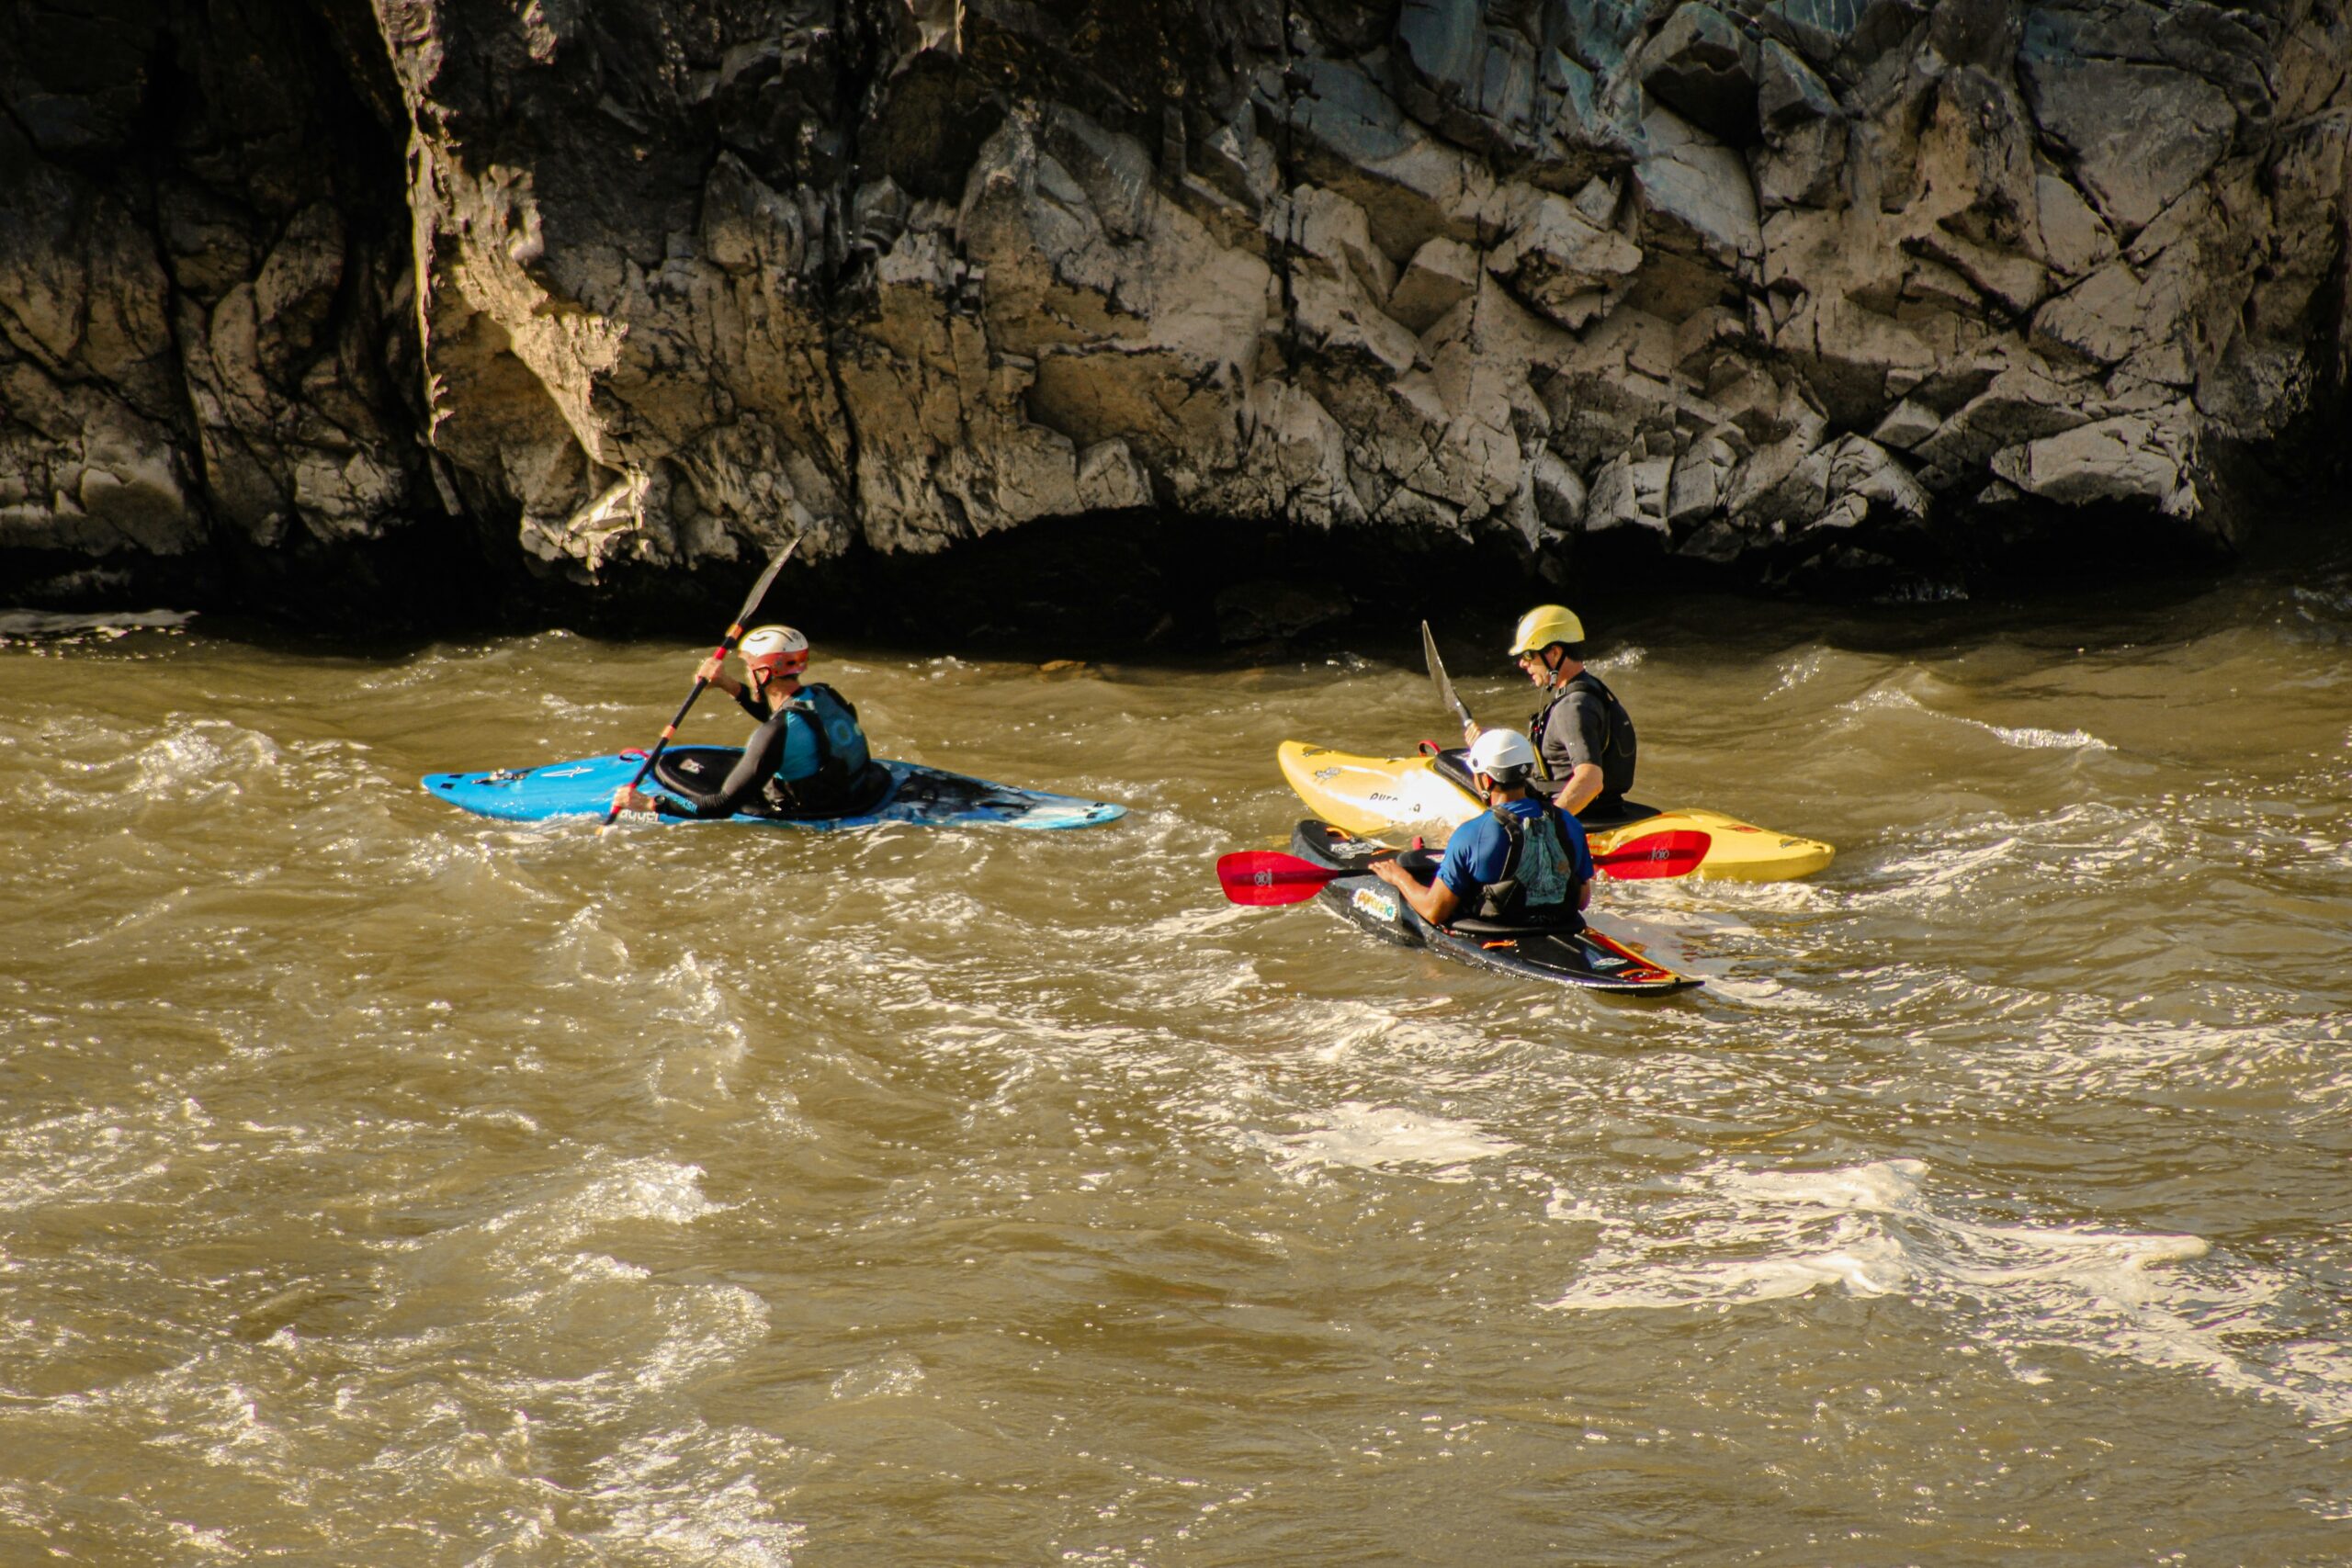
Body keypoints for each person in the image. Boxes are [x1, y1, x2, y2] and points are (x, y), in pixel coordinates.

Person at [609, 625, 876, 819]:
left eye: (749, 668)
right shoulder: (824, 695)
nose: (747, 674)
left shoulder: (776, 731)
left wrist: (651, 804)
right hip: (856, 790)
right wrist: (726, 684)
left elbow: (722, 805)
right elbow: (793, 727)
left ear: (763, 673)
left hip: (812, 809)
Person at [1372, 728, 1594, 931]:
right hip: (1562, 926)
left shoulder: (1471, 834)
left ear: (1486, 780)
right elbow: (1583, 900)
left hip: (1500, 929)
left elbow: (1434, 912)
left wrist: (1399, 878)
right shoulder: (1569, 823)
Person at [1503, 604, 1637, 821]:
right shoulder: (1592, 688)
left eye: (1529, 655)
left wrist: (1549, 827)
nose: (1522, 663)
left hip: (1581, 818)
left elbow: (1591, 779)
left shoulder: (1573, 707)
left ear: (1554, 652)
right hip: (1607, 808)